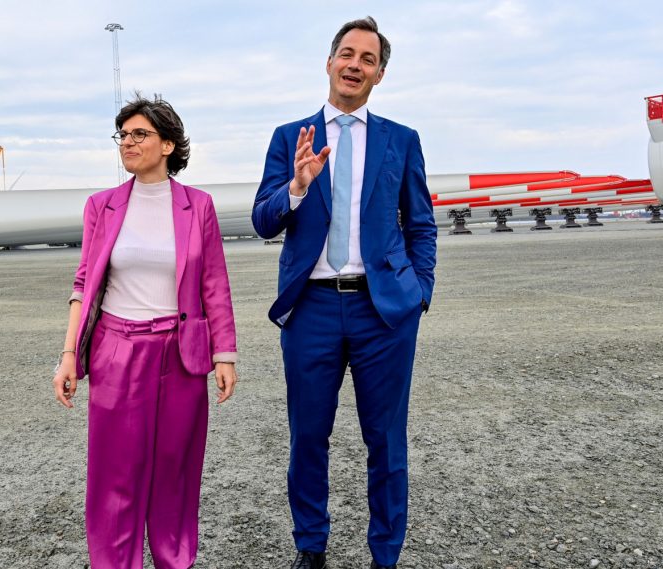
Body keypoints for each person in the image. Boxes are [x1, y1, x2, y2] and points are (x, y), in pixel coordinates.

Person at [251, 17, 437, 569]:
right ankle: (311, 546)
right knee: (308, 436)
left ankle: (386, 554)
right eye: (348, 54)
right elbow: (263, 221)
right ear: (329, 62)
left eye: (368, 59)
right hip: (311, 307)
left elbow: (421, 224)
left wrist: (419, 291)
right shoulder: (290, 137)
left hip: (384, 312)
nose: (356, 65)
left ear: (379, 75)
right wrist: (297, 186)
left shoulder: (402, 140)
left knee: (386, 439)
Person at [52, 94, 238, 569]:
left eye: (140, 134)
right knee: (116, 472)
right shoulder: (102, 206)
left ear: (168, 145)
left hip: (181, 353)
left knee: (175, 467)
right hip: (117, 349)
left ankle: (175, 559)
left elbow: (214, 283)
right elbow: (83, 283)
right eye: (124, 135)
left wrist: (224, 355)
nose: (128, 143)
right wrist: (69, 354)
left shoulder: (199, 206)